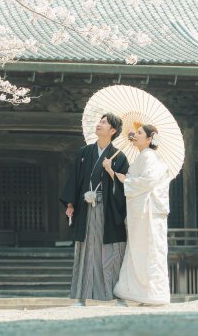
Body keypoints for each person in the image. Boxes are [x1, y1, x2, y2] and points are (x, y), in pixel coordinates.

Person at [59, 113, 130, 306]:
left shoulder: (120, 157)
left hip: (108, 210)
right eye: (100, 121)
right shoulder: (84, 152)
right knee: (86, 251)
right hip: (86, 208)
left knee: (112, 252)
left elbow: (127, 186)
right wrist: (71, 204)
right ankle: (81, 298)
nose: (99, 124)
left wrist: (111, 171)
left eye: (104, 122)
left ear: (113, 130)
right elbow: (75, 178)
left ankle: (118, 295)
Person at [113, 124, 171, 306]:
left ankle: (153, 294)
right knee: (141, 250)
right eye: (135, 132)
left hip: (149, 212)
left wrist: (126, 180)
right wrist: (114, 172)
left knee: (151, 251)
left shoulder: (149, 156)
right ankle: (140, 293)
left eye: (139, 133)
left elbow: (149, 181)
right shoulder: (143, 156)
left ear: (149, 139)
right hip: (143, 213)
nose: (135, 135)